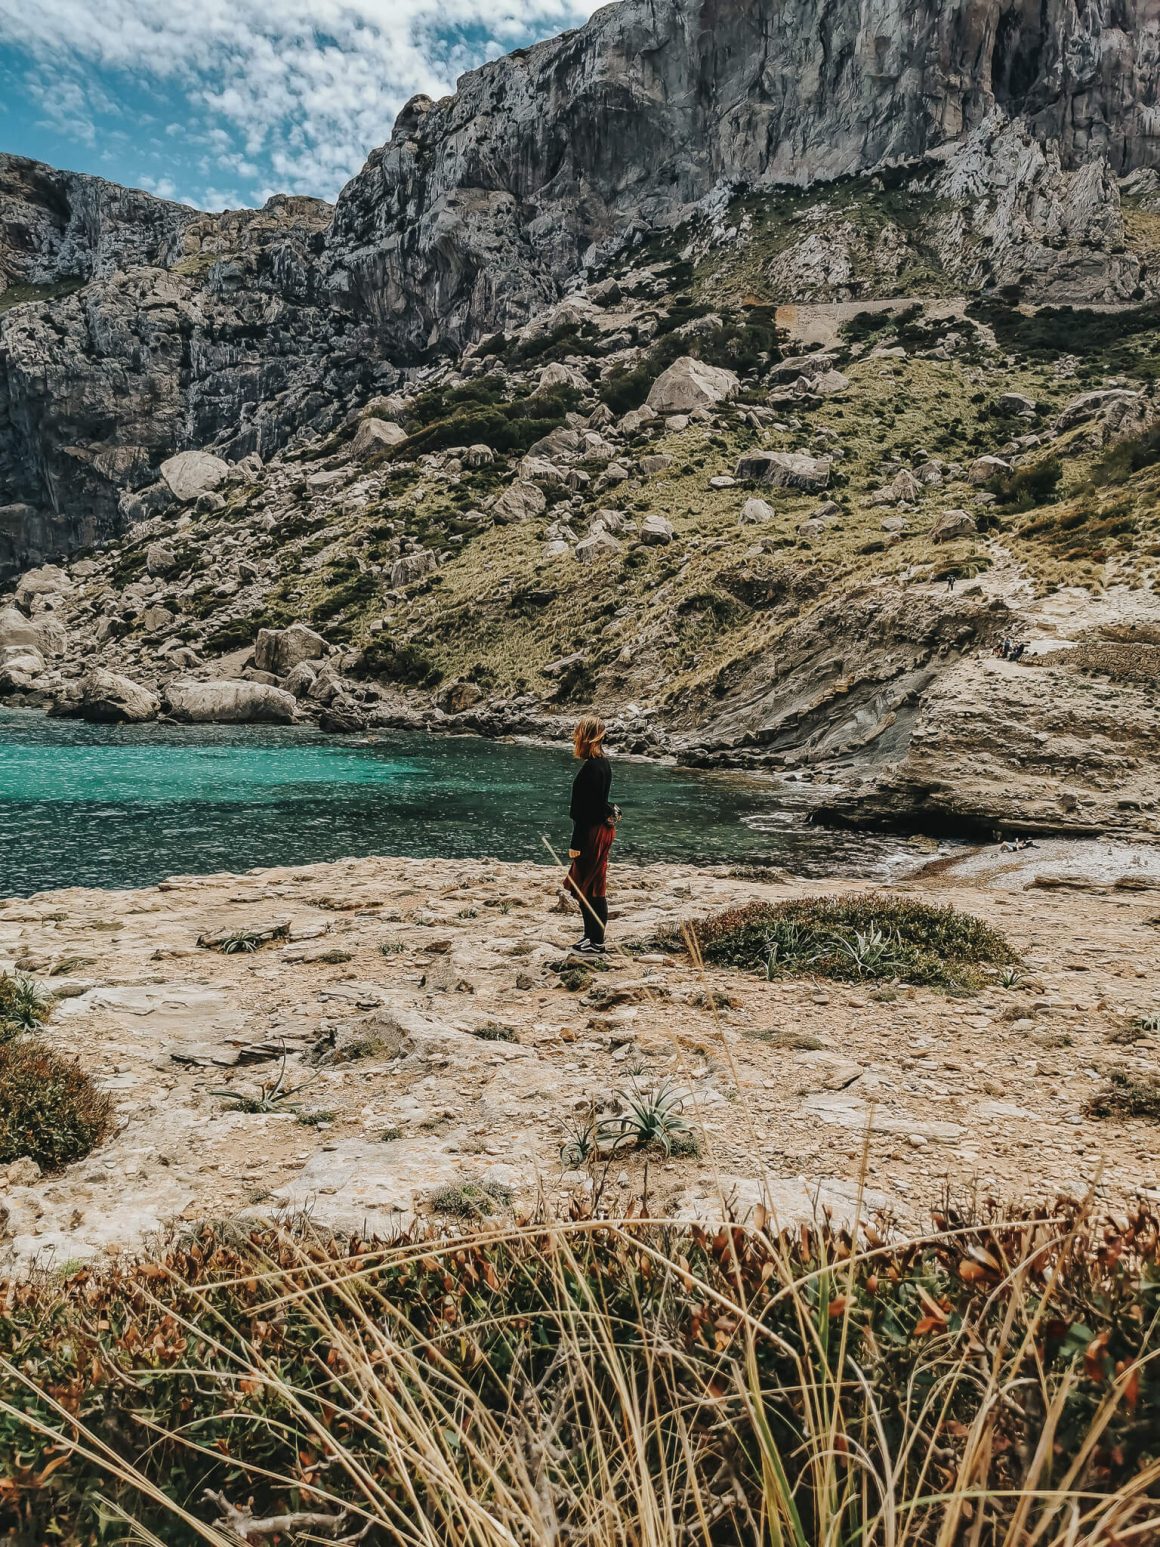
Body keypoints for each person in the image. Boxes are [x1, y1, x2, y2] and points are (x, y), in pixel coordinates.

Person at [565, 714, 617, 953]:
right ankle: (591, 937)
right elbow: (600, 803)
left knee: (590, 887)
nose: (575, 737)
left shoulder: (592, 769)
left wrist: (576, 843)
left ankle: (596, 941)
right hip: (599, 830)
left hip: (591, 833)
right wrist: (610, 811)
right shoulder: (601, 764)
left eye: (578, 733)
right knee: (586, 886)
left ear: (586, 737)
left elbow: (585, 812)